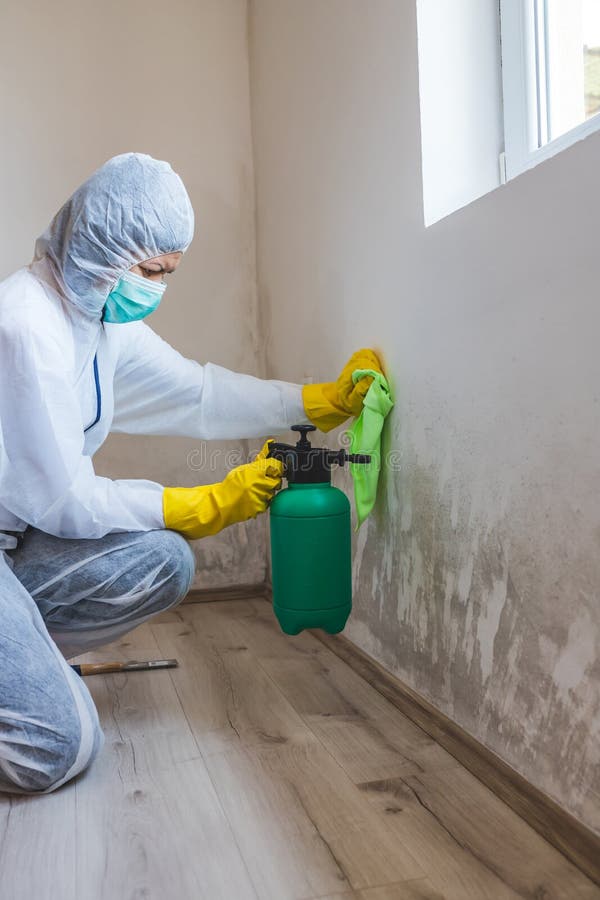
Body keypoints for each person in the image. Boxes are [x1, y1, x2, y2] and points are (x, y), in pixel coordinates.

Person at [0, 153, 382, 794]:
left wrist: (314, 402)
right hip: (27, 528)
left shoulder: (96, 321)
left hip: (14, 544)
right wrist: (198, 504)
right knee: (56, 750)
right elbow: (62, 498)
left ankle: (23, 663)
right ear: (100, 247)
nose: (157, 289)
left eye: (167, 274)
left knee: (164, 560)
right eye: (151, 271)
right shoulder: (25, 324)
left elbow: (198, 394)